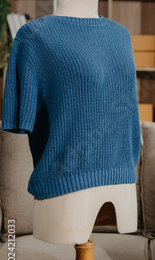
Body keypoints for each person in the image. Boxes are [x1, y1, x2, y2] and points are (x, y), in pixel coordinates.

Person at [1, 0, 141, 245]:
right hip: (66, 186)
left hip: (124, 182)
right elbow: (21, 117)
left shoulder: (121, 35)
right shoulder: (34, 36)